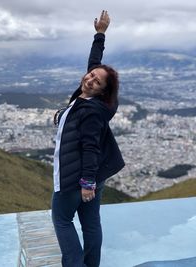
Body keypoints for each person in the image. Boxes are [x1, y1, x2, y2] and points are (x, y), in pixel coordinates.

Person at [51, 10, 125, 267]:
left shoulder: (92, 111)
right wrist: (100, 34)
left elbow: (90, 147)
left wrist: (86, 183)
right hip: (94, 176)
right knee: (91, 222)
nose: (90, 78)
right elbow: (95, 62)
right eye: (91, 75)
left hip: (78, 176)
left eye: (96, 80)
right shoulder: (99, 99)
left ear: (103, 91)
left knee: (62, 220)